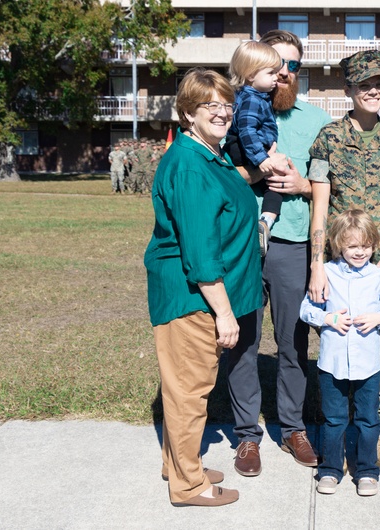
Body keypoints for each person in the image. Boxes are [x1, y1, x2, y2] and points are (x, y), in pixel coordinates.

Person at [144, 67, 261, 507]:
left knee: (186, 388)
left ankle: (178, 464)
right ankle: (189, 486)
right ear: (188, 112)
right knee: (190, 392)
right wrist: (225, 314)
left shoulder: (209, 154)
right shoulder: (192, 165)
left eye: (227, 104)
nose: (222, 112)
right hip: (194, 298)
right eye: (209, 105)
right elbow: (200, 252)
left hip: (203, 295)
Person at [226, 29, 332, 477]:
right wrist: (255, 173)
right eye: (278, 64)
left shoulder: (317, 120)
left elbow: (332, 186)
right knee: (244, 343)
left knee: (293, 344)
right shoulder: (234, 109)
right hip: (243, 244)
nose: (285, 73)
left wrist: (303, 185)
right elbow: (218, 170)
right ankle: (247, 436)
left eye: (292, 65)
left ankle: (293, 428)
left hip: (293, 244)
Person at [307, 49, 380, 471]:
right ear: (348, 89)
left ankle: (372, 435)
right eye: (365, 84)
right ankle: (335, 434)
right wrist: (317, 265)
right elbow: (319, 210)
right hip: (336, 268)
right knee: (337, 347)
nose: (374, 91)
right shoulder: (329, 138)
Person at [299, 209, 380, 497]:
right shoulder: (326, 273)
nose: (360, 252)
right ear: (339, 244)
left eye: (366, 246)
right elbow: (306, 309)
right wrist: (327, 319)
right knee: (334, 418)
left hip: (367, 364)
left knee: (368, 418)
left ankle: (367, 470)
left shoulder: (378, 276)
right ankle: (330, 469)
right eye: (353, 246)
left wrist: (378, 319)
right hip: (333, 364)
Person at [225, 40, 286, 256]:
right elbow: (247, 130)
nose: (276, 78)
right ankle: (266, 221)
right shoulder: (252, 99)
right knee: (276, 183)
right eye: (271, 73)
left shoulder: (253, 96)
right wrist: (262, 159)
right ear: (251, 75)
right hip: (247, 149)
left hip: (248, 149)